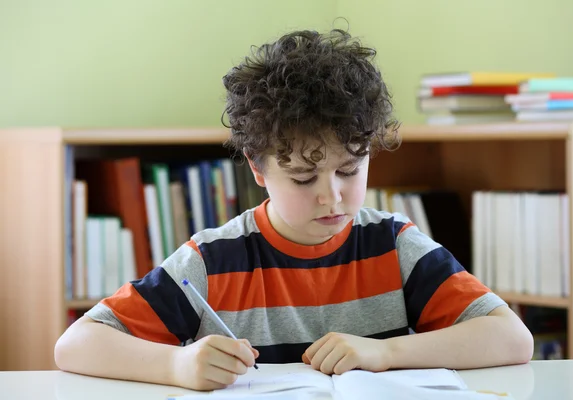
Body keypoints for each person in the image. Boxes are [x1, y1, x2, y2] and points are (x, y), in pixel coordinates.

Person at [54, 28, 533, 391]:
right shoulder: (212, 260)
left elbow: (511, 339)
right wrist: (176, 364)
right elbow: (75, 345)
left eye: (350, 170)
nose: (333, 196)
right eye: (304, 178)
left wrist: (384, 353)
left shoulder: (393, 243)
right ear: (258, 170)